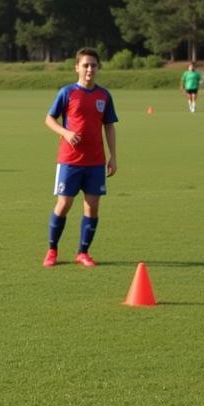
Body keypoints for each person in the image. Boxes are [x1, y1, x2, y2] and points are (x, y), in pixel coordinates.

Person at [43, 48, 118, 268]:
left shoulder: (104, 95)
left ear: (98, 68)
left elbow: (109, 126)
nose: (89, 69)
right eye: (85, 65)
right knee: (64, 203)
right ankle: (52, 249)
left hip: (95, 161)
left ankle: (83, 252)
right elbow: (49, 119)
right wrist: (65, 132)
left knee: (92, 206)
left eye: (93, 65)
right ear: (77, 67)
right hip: (70, 160)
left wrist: (113, 156)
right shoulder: (67, 92)